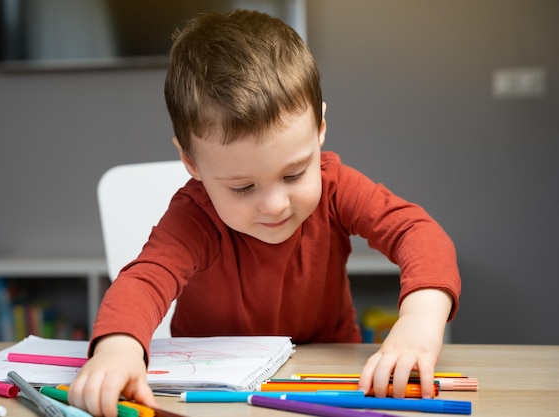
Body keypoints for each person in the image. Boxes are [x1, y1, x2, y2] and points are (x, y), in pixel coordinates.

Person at [69, 9, 461, 417]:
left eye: (295, 173)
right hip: (212, 386)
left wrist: (420, 321)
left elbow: (417, 232)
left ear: (320, 127)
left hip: (326, 374)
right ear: (192, 163)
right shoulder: (195, 217)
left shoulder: (336, 186)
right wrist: (118, 348)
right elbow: (145, 280)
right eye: (242, 187)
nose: (275, 205)